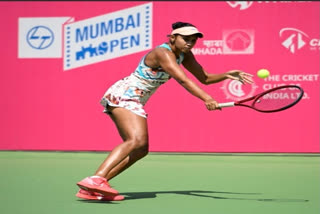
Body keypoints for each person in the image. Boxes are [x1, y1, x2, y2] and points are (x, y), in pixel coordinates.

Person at [75, 21, 254, 201]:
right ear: (173, 37)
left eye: (193, 40)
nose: (190, 43)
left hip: (134, 99)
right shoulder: (163, 53)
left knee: (141, 149)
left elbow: (204, 78)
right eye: (186, 39)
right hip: (124, 95)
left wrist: (226, 74)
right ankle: (96, 179)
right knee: (135, 140)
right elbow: (183, 80)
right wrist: (207, 99)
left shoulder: (185, 55)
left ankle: (92, 188)